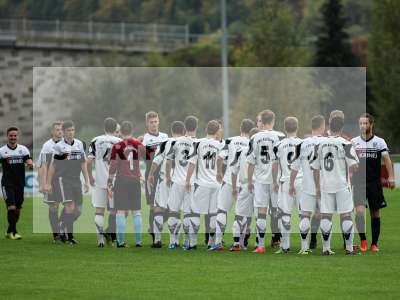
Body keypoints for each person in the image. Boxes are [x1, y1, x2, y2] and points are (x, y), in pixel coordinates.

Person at [311, 116, 359, 255]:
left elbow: (315, 168)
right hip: (342, 184)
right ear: (342, 128)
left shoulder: (319, 144)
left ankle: (326, 248)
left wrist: (317, 187)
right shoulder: (346, 143)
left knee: (326, 215)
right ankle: (349, 248)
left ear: (329, 126)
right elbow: (355, 166)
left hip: (326, 185)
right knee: (346, 215)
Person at [209, 118, 255, 252]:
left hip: (229, 180)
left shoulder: (230, 140)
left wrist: (218, 172)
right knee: (242, 214)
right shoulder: (252, 143)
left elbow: (220, 157)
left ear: (241, 128)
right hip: (245, 182)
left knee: (222, 210)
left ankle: (217, 242)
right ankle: (240, 243)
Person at [352, 113, 395, 252]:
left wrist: (391, 177)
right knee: (359, 212)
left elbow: (387, 160)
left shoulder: (379, 142)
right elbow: (349, 162)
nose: (363, 126)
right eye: (360, 123)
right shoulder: (354, 142)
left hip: (374, 183)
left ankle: (374, 244)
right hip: (358, 183)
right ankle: (363, 240)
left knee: (375, 213)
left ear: (371, 124)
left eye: (365, 123)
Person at [46, 120, 89, 245]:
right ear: (64, 132)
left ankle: (61, 225)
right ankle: (69, 237)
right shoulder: (59, 147)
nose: (71, 133)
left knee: (78, 210)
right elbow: (53, 166)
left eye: (72, 130)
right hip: (63, 180)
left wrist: (86, 180)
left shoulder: (80, 144)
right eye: (68, 131)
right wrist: (48, 183)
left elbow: (83, 163)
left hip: (76, 180)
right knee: (69, 207)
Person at [247, 110, 285, 253]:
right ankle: (281, 244)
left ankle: (261, 245)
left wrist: (250, 181)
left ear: (261, 121)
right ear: (273, 121)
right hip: (276, 180)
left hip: (260, 180)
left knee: (261, 211)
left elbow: (250, 162)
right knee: (278, 211)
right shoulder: (280, 136)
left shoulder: (255, 137)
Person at [185, 120, 225, 250]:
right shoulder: (219, 144)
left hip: (201, 183)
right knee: (213, 213)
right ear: (216, 130)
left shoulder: (197, 143)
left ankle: (193, 243)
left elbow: (192, 163)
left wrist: (187, 180)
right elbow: (220, 159)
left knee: (195, 212)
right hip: (215, 184)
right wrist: (219, 172)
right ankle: (211, 243)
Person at [289, 115, 325, 254]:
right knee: (324, 215)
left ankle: (304, 247)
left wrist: (291, 184)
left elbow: (295, 167)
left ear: (311, 127)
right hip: (324, 186)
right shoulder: (326, 142)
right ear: (322, 126)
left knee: (305, 215)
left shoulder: (302, 144)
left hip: (307, 185)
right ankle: (326, 248)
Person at [147, 121, 185, 248]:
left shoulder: (165, 142)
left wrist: (151, 174)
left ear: (171, 130)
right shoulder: (187, 143)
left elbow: (156, 160)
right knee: (176, 210)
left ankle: (157, 240)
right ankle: (174, 241)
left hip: (164, 179)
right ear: (183, 131)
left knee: (159, 208)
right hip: (179, 180)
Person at [108, 121, 146, 248]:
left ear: (121, 132)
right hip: (135, 180)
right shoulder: (138, 144)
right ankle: (139, 241)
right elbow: (146, 156)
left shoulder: (117, 146)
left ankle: (121, 241)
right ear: (132, 131)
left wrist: (109, 180)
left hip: (122, 180)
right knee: (136, 212)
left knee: (120, 212)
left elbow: (113, 166)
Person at [165, 116, 199, 249]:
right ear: (196, 127)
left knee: (173, 211)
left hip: (177, 181)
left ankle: (173, 241)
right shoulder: (198, 143)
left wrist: (168, 177)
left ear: (185, 126)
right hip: (191, 182)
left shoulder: (176, 142)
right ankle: (186, 240)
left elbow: (168, 161)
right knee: (187, 212)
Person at [87, 117, 121, 247]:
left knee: (99, 211)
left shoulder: (95, 140)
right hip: (115, 182)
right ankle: (113, 240)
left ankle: (100, 240)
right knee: (114, 212)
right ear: (115, 129)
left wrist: (90, 177)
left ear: (104, 127)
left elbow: (89, 161)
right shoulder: (119, 141)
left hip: (100, 181)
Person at [272, 117, 303, 254]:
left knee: (285, 214)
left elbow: (274, 165)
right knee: (303, 214)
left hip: (285, 181)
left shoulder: (279, 145)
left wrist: (274, 181)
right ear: (297, 128)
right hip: (301, 181)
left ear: (285, 128)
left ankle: (285, 246)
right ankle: (304, 246)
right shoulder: (303, 143)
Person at [230, 127, 260, 251]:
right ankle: (259, 244)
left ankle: (237, 243)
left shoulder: (240, 151)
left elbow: (233, 171)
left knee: (240, 216)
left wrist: (233, 188)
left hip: (245, 186)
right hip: (259, 186)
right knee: (259, 216)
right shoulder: (261, 151)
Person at [1, 127, 33, 239]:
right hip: (7, 183)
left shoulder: (23, 149)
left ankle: (9, 231)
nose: (13, 137)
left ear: (17, 136)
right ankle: (14, 232)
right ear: (7, 136)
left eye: (15, 135)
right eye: (11, 135)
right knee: (11, 207)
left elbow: (28, 159)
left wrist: (30, 164)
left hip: (20, 183)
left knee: (18, 209)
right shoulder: (2, 151)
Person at [142, 111, 168, 245]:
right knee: (153, 206)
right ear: (147, 124)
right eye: (151, 122)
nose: (154, 124)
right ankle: (155, 238)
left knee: (166, 207)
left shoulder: (165, 137)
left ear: (159, 122)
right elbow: (145, 157)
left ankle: (153, 228)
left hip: (163, 175)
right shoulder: (144, 139)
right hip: (151, 175)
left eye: (155, 121)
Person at [37, 121, 64, 243]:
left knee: (73, 208)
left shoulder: (68, 144)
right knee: (54, 207)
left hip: (66, 180)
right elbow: (43, 166)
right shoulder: (47, 146)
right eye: (57, 129)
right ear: (52, 131)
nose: (60, 131)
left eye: (61, 129)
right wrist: (43, 184)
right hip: (52, 181)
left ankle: (61, 225)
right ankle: (56, 234)